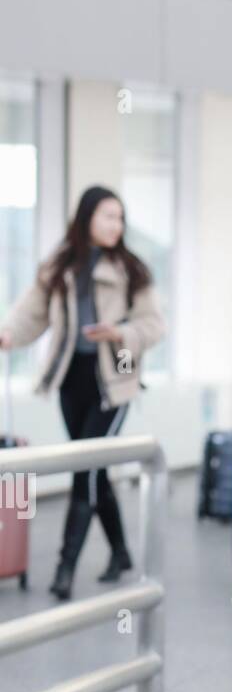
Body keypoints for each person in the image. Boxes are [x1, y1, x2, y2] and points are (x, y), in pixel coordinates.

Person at [0, 185, 165, 598]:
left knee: (85, 468)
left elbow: (154, 326)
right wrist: (7, 335)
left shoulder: (132, 269)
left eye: (121, 218)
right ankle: (122, 552)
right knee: (94, 467)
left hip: (115, 380)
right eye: (109, 215)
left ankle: (64, 569)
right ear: (86, 217)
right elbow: (31, 314)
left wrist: (119, 332)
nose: (117, 225)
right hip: (70, 379)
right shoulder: (59, 265)